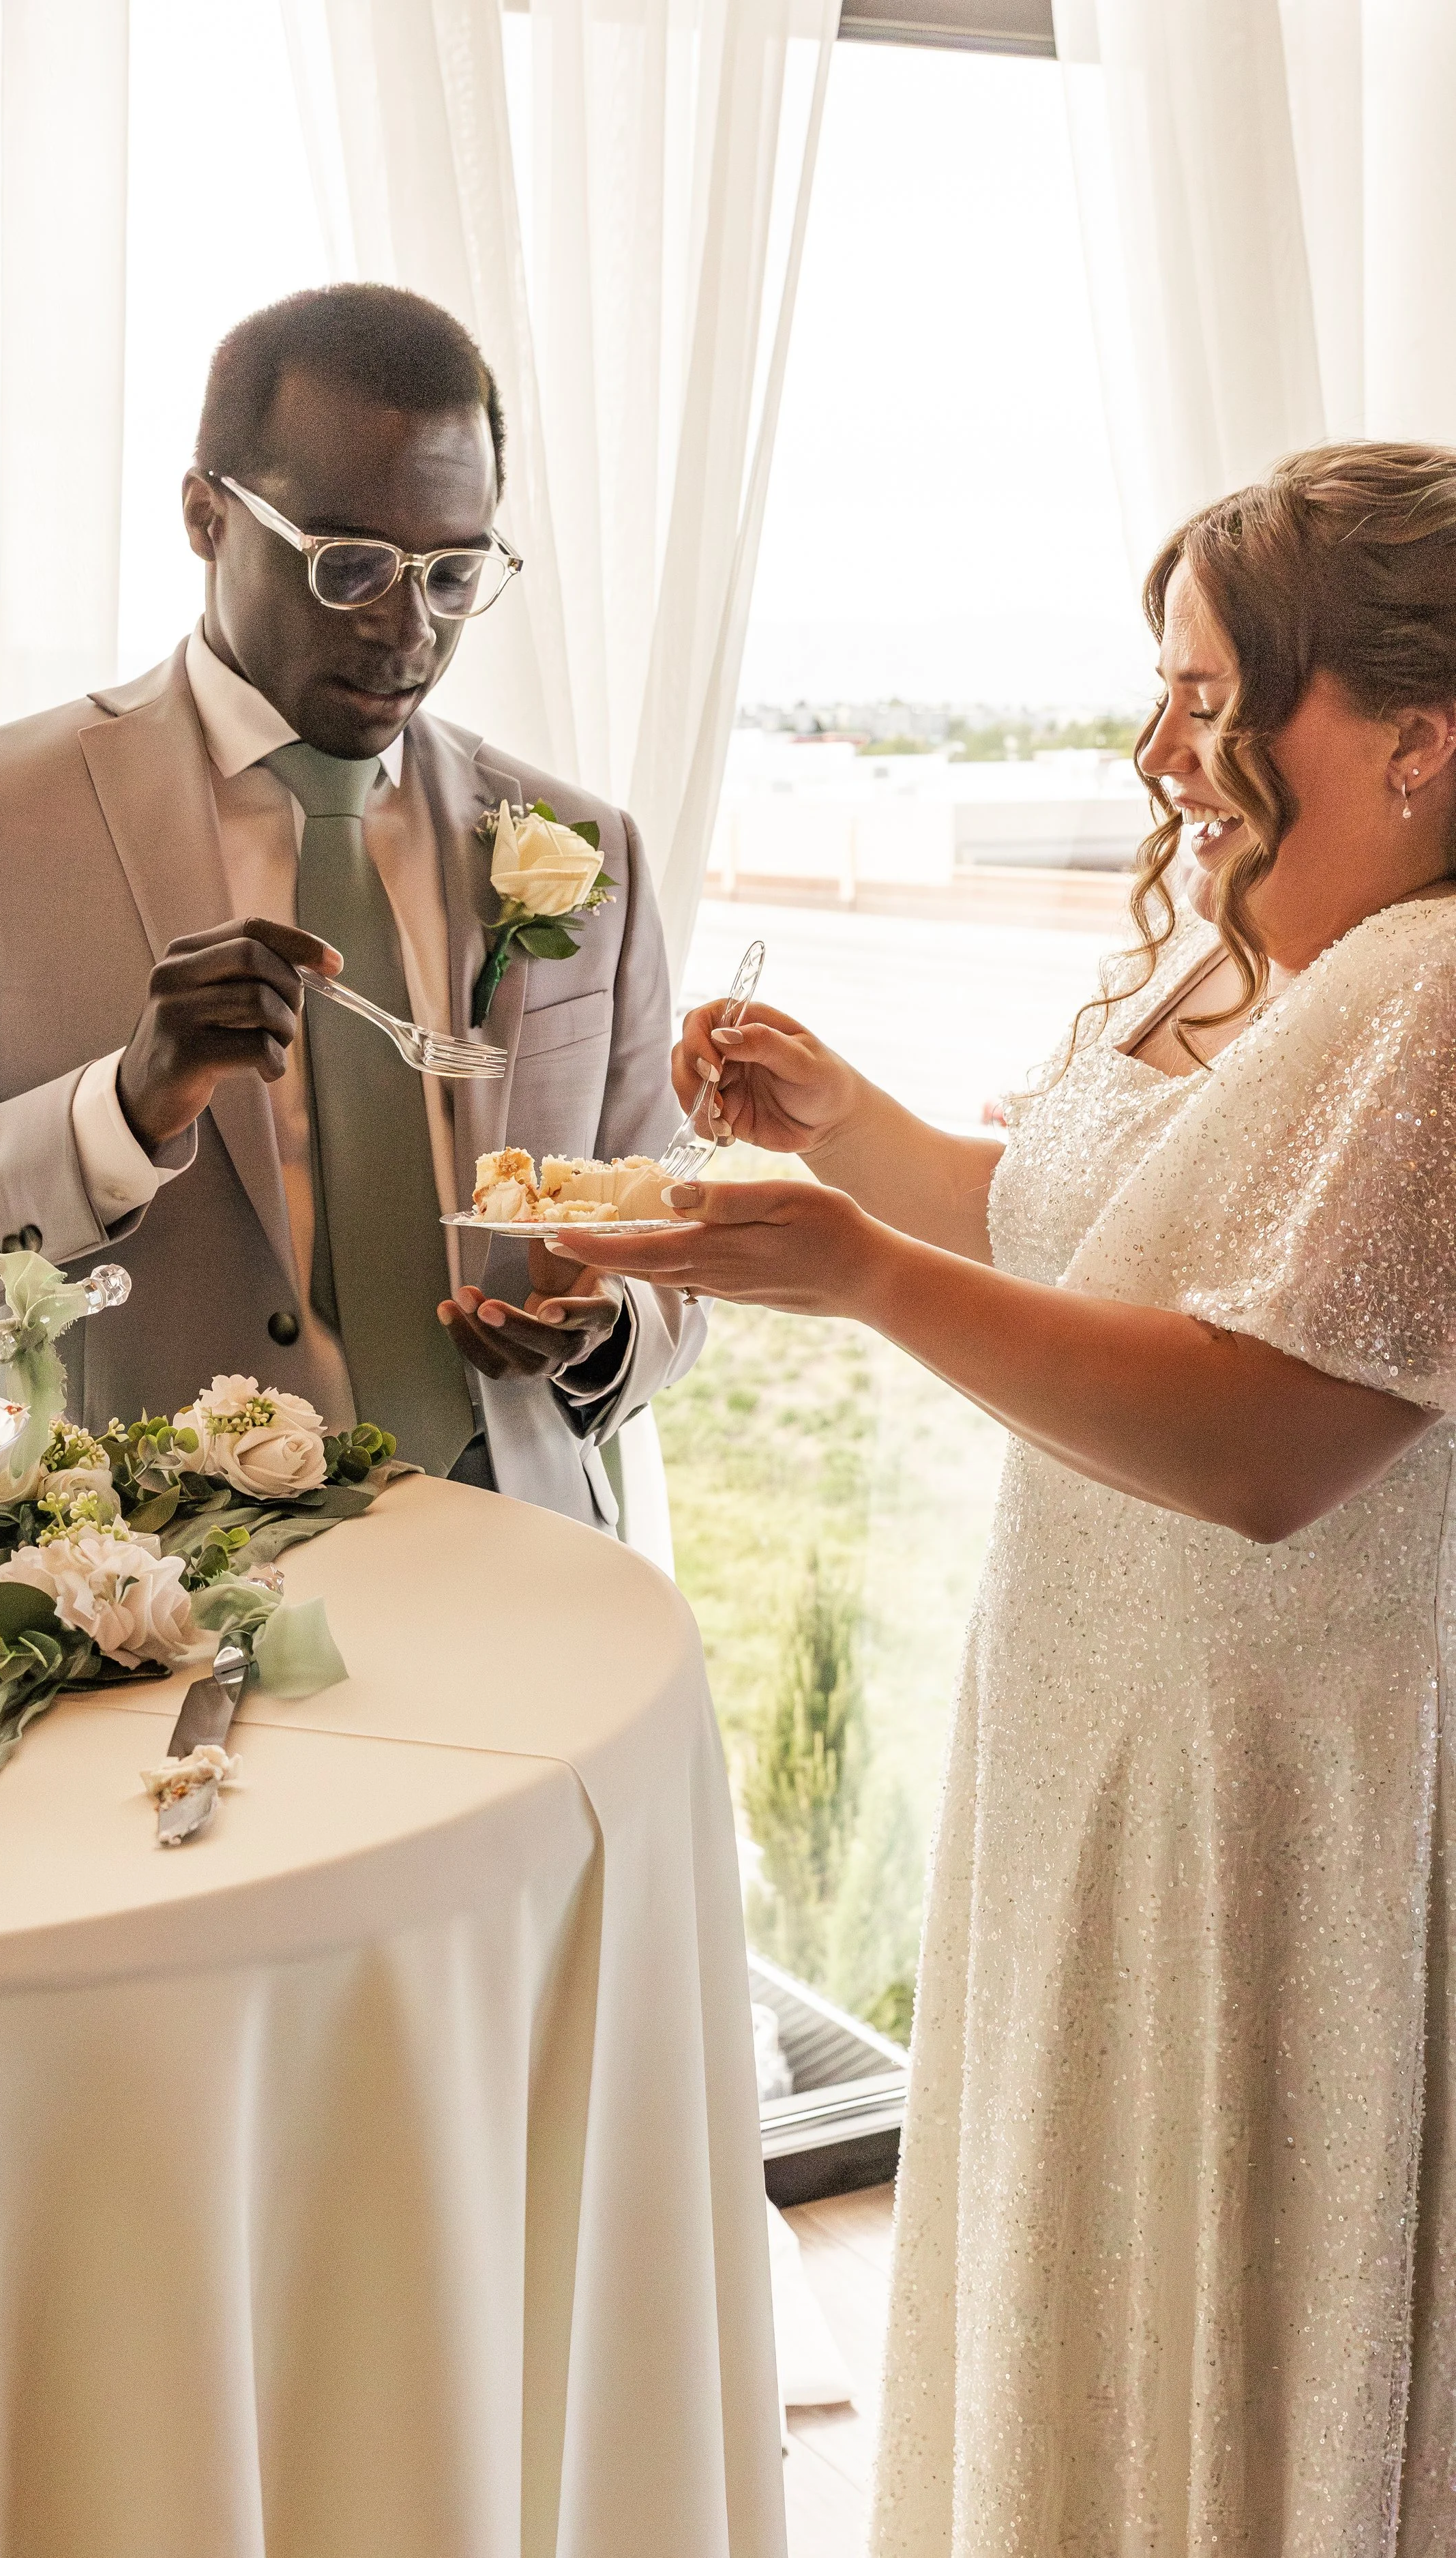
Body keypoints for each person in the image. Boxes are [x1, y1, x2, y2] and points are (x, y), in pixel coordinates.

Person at [565, 442, 1456, 2548]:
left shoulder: (1431, 992)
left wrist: (863, 1278)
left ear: (1416, 739)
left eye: (1218, 701)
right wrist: (849, 1131)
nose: (1160, 751)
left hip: (1275, 1769)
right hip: (1097, 1716)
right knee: (1075, 2248)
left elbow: (1263, 1440)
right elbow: (1088, 1228)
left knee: (1223, 2305)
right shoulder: (1246, 945)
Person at [0, 284, 701, 1525]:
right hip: (138, 1601)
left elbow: (667, 1241)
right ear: (206, 517)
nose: (405, 627)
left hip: (527, 1562)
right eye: (351, 564)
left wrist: (608, 1329)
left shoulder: (591, 849)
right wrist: (117, 1109)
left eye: (454, 571)